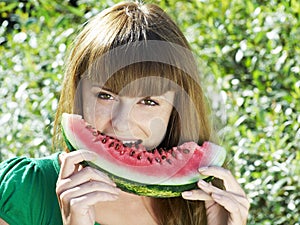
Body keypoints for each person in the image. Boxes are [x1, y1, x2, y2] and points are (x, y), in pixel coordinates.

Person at [0, 1, 249, 225]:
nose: (121, 124)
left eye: (149, 102)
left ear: (176, 110)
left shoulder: (203, 206)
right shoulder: (22, 190)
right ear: (77, 92)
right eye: (105, 96)